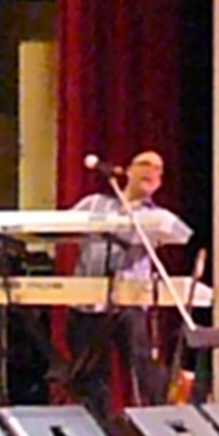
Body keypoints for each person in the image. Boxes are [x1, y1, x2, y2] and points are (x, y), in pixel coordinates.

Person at [63, 151, 191, 418]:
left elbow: (182, 234)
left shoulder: (156, 216)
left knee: (141, 367)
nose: (152, 171)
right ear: (128, 171)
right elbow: (59, 227)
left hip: (129, 304)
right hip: (86, 302)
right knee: (88, 375)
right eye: (145, 164)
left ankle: (159, 423)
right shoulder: (94, 203)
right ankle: (96, 428)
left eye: (158, 169)